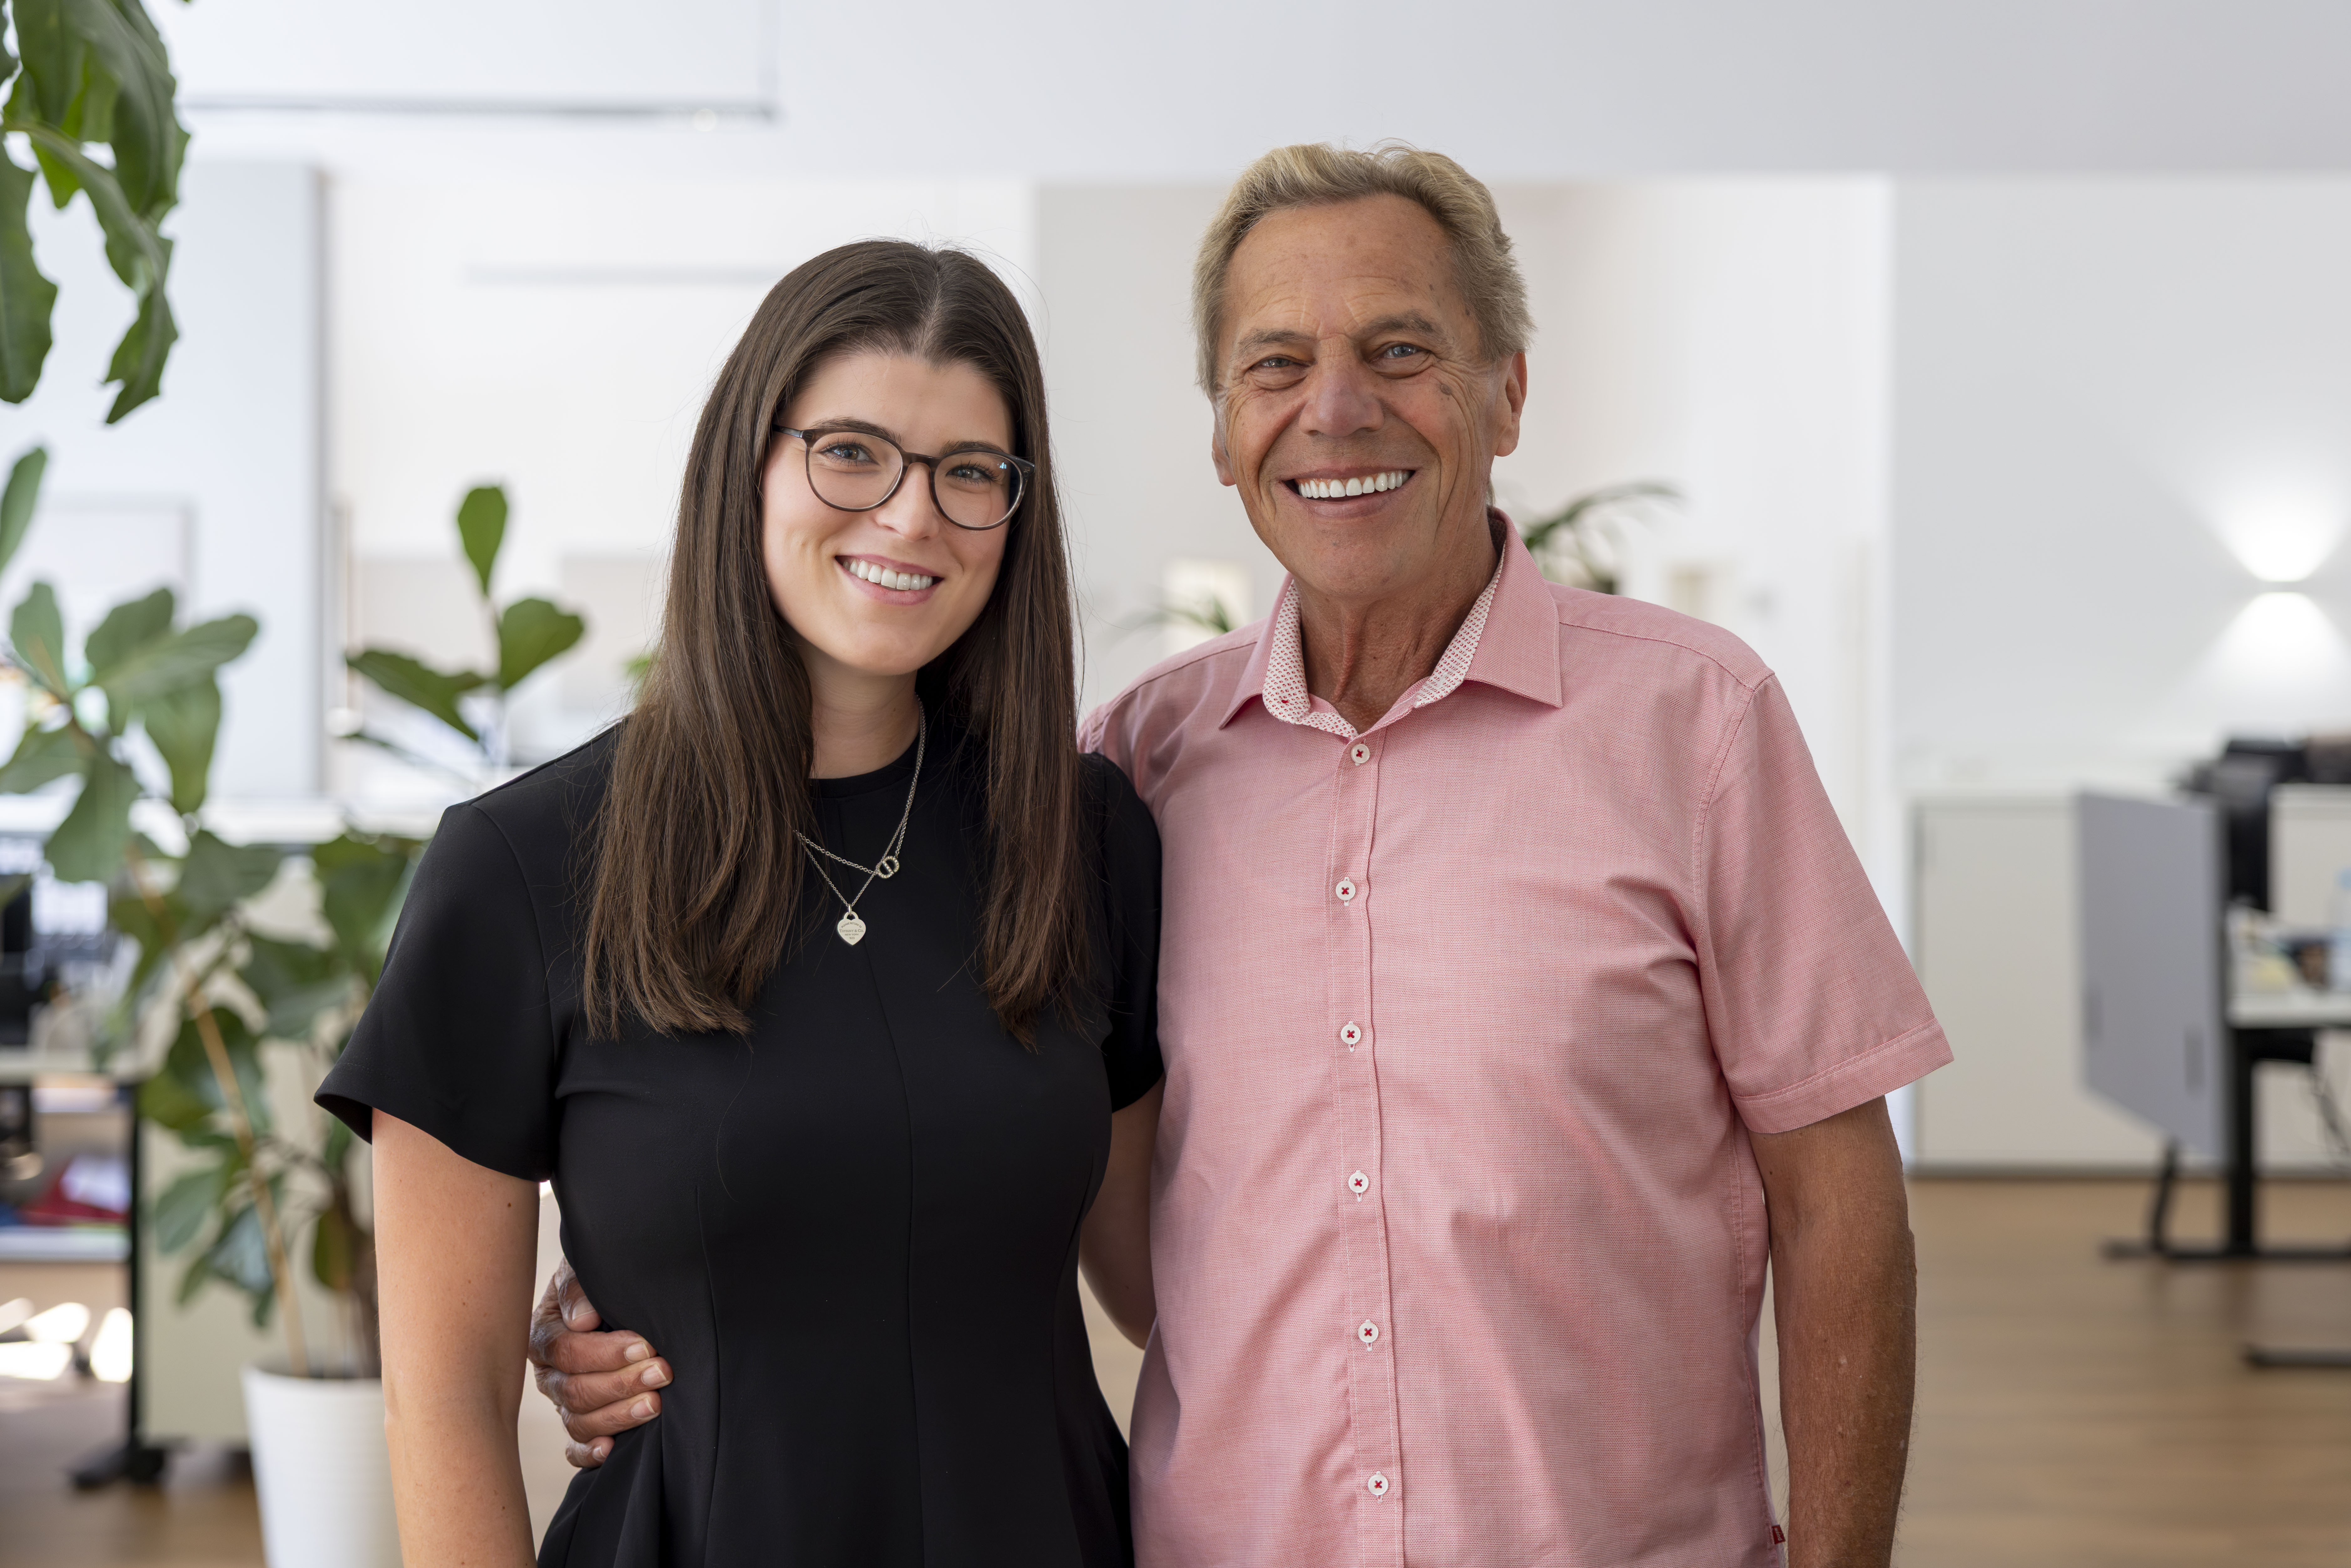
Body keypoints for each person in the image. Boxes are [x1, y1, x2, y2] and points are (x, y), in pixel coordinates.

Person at [535, 145, 1951, 1568]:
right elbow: (939, 1132)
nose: (1335, 410)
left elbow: (1839, 1205)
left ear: (1506, 392)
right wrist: (657, 1278)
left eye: (1400, 350)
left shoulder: (1696, 723)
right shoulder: (1124, 777)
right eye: (1274, 366)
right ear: (1222, 433)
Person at [317, 240, 1165, 1568]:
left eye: (969, 473)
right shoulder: (524, 862)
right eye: (850, 452)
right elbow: (444, 1400)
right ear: (747, 466)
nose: (909, 516)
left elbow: (1157, 1281)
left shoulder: (1085, 837)